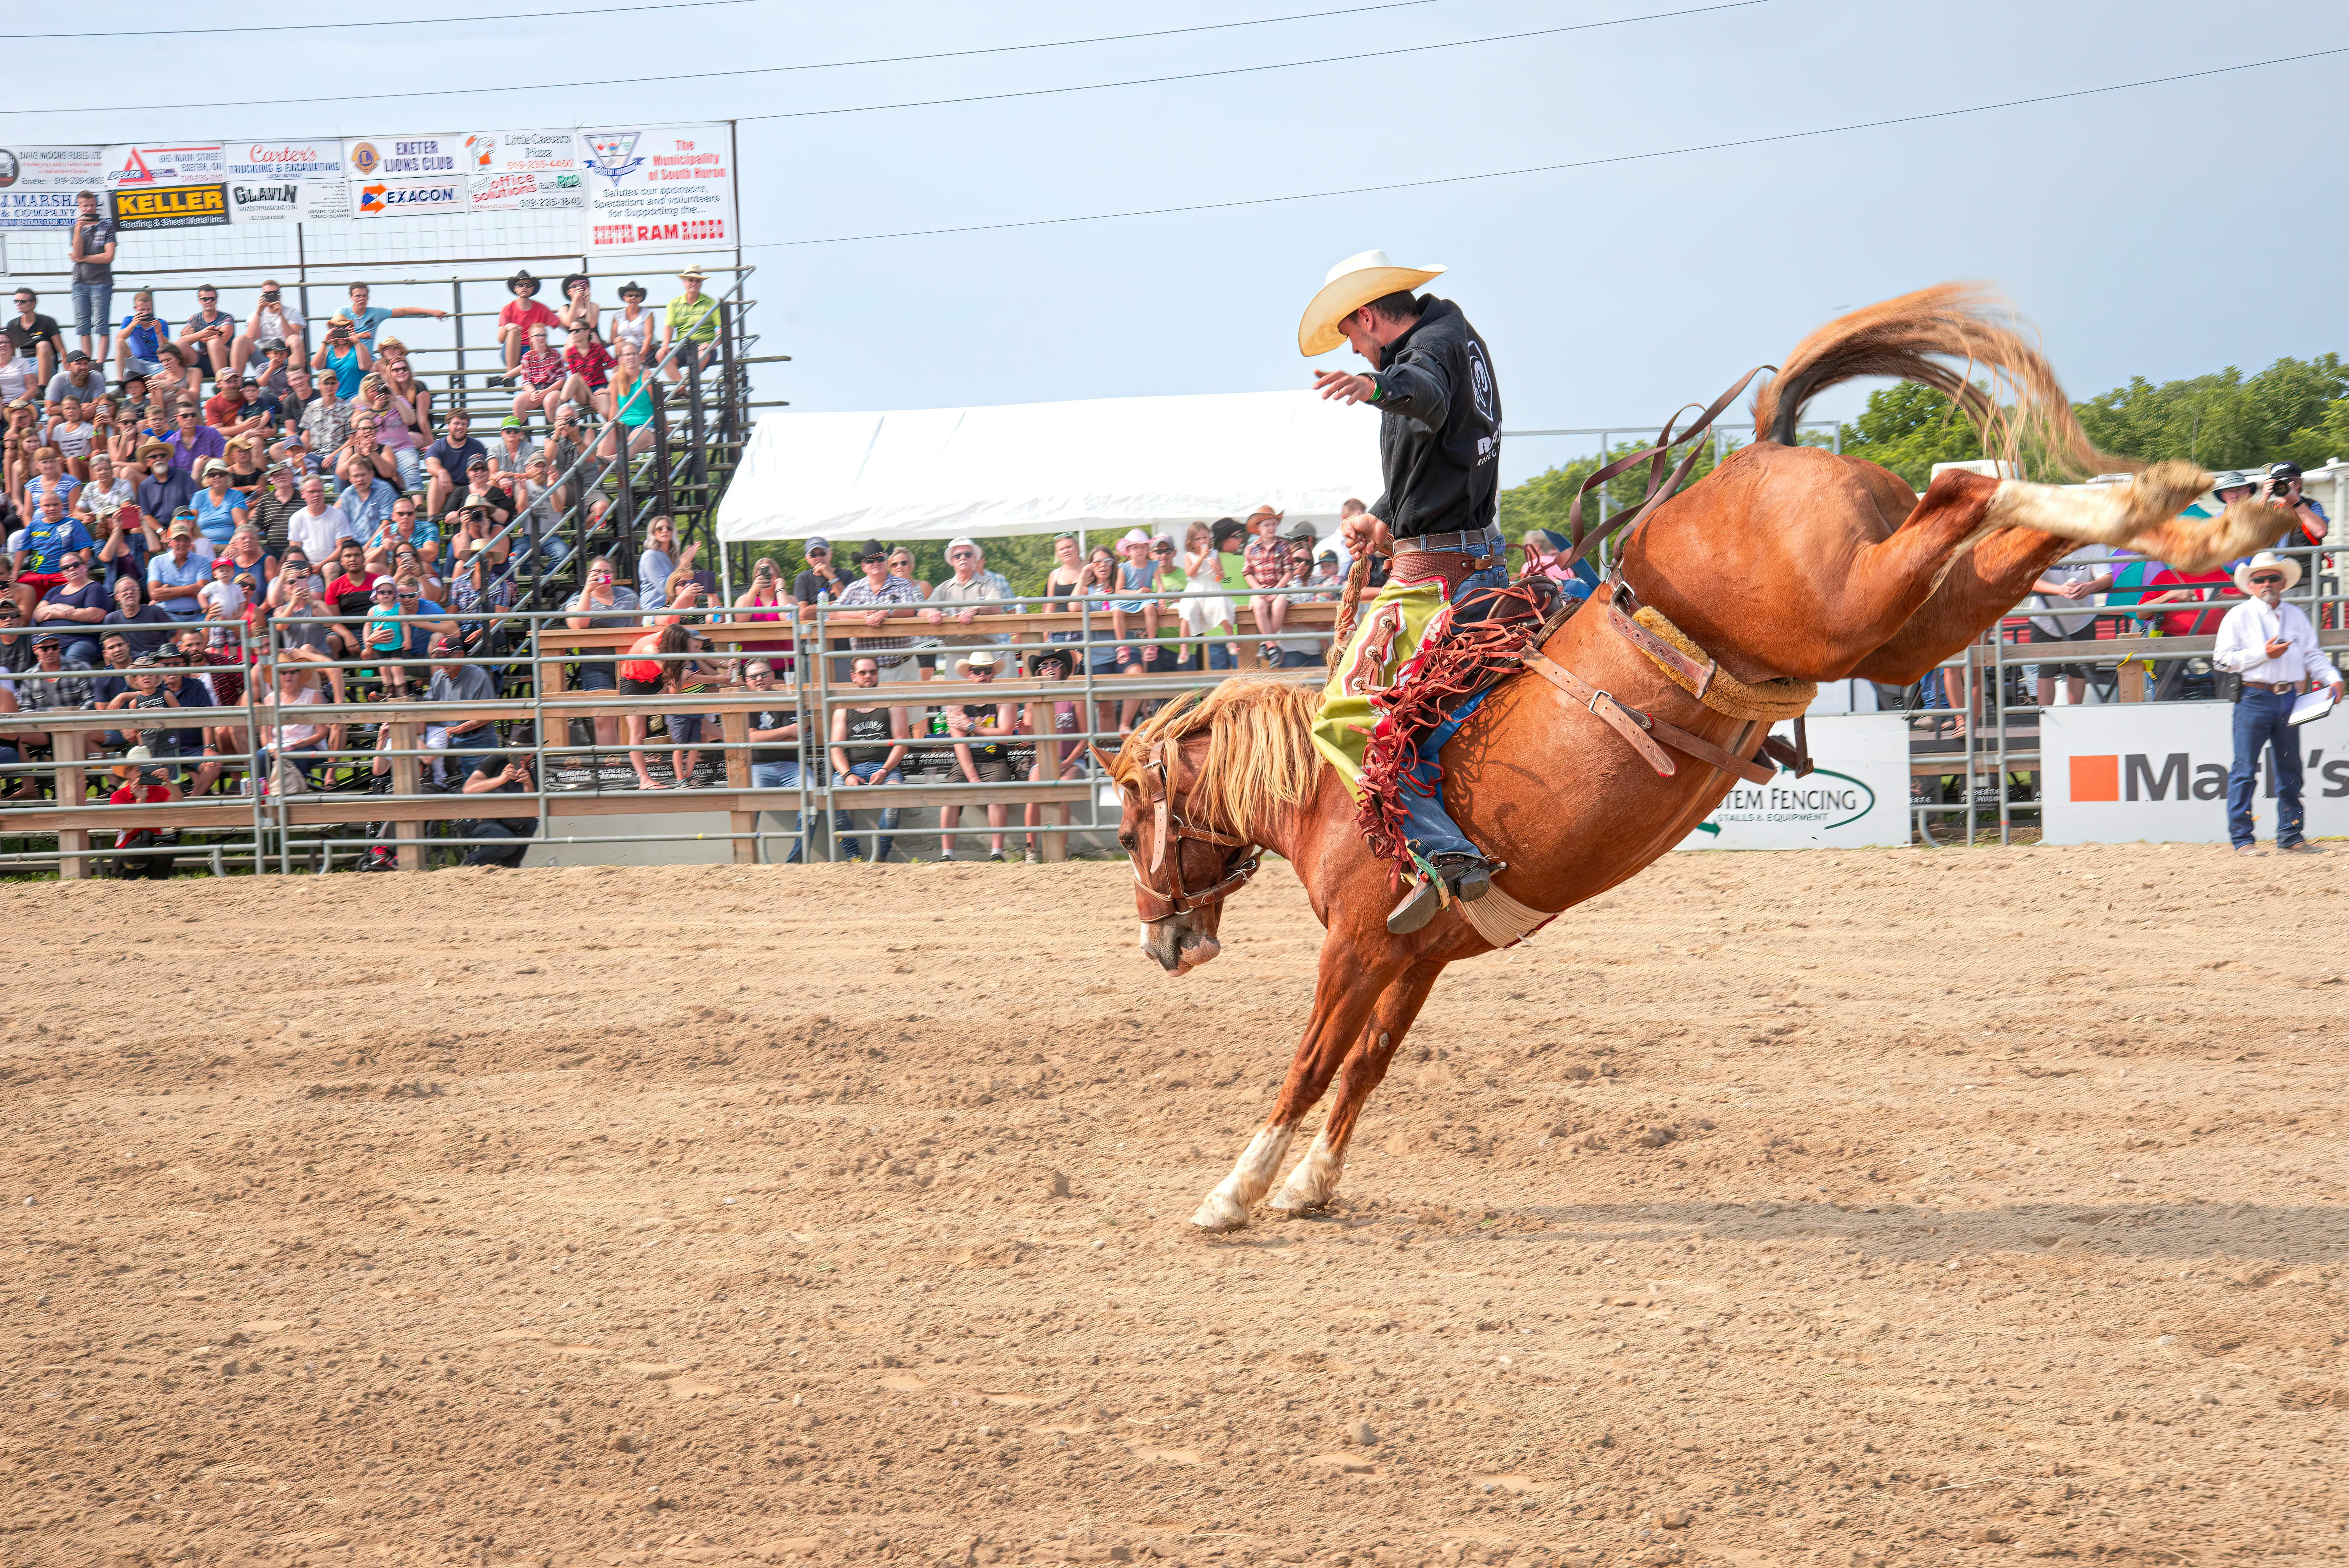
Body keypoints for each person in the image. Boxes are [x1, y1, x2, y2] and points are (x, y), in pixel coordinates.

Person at [1304, 249, 1504, 932]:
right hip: (1472, 558)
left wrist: (1375, 388)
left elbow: (1422, 392)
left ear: (1367, 318)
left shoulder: (1423, 355)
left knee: (1344, 718)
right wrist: (1382, 517)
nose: (1355, 349)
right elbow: (1438, 452)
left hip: (1436, 577)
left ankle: (1444, 853)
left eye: (1351, 336)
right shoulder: (1458, 339)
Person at [2212, 550, 2342, 857]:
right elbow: (2220, 660)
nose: (2266, 583)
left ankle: (2290, 835)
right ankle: (2243, 840)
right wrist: (2262, 654)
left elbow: (2311, 654)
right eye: (2259, 580)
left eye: (2272, 578)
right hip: (2253, 697)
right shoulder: (2238, 615)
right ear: (2251, 585)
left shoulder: (2295, 616)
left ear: (2282, 583)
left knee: (2289, 769)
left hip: (2287, 699)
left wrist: (2332, 678)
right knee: (2245, 769)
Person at [937, 648, 1018, 861]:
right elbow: (960, 744)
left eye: (988, 670)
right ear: (969, 674)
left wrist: (972, 726)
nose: (983, 675)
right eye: (977, 671)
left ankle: (997, 852)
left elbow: (1005, 736)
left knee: (997, 796)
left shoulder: (1004, 698)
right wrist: (973, 778)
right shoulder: (957, 701)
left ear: (994, 673)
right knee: (949, 797)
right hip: (967, 761)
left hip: (996, 759)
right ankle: (947, 854)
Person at [565, 556, 641, 774]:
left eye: (606, 572)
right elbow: (578, 625)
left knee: (634, 719)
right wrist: (588, 592)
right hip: (597, 665)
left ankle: (635, 769)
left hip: (629, 665)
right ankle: (612, 768)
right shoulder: (577, 599)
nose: (601, 576)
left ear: (614, 576)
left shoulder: (629, 596)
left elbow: (639, 624)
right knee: (604, 718)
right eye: (596, 572)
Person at [828, 656, 908, 862]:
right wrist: (847, 775)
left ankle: (879, 858)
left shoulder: (892, 703)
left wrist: (885, 771)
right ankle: (855, 856)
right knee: (832, 801)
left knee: (894, 800)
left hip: (886, 768)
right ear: (854, 677)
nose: (869, 676)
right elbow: (836, 748)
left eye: (873, 672)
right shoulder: (843, 709)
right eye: (863, 673)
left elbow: (902, 744)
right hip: (852, 768)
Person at [2025, 546, 2116, 709]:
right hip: (2044, 619)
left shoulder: (2094, 544)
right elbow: (2030, 580)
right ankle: (2046, 719)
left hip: (2082, 619)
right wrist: (2060, 590)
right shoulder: (2045, 539)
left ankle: (2074, 715)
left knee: (2079, 671)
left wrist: (2090, 587)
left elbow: (2107, 578)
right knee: (2046, 670)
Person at [741, 658, 806, 861]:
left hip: (793, 766)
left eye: (763, 674)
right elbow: (750, 738)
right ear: (746, 681)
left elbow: (801, 733)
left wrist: (762, 736)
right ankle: (748, 861)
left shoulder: (788, 698)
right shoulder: (743, 703)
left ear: (773, 676)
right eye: (753, 676)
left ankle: (795, 862)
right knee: (749, 805)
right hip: (759, 767)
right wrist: (786, 731)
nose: (759, 679)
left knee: (813, 798)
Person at [834, 540, 924, 682]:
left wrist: (886, 612)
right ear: (863, 566)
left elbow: (910, 609)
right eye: (870, 561)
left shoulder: (903, 584)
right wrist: (858, 615)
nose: (876, 563)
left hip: (903, 664)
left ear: (887, 562)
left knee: (913, 705)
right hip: (869, 673)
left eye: (880, 559)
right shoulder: (853, 588)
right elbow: (832, 613)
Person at [619, 619, 691, 790]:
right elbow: (673, 678)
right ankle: (644, 780)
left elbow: (676, 678)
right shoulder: (652, 649)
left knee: (683, 714)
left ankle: (685, 769)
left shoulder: (669, 637)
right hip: (634, 682)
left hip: (655, 677)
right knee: (638, 733)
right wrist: (671, 687)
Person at [922, 536, 1011, 672]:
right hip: (955, 653)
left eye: (968, 555)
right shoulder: (943, 588)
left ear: (975, 559)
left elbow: (997, 607)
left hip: (986, 652)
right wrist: (932, 613)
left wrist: (976, 610)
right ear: (952, 561)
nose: (963, 558)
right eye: (957, 556)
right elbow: (922, 610)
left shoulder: (990, 584)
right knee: (956, 693)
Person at [423, 634, 499, 786]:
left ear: (461, 655)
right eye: (439, 658)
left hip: (478, 740)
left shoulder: (479, 675)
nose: (442, 662)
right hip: (448, 738)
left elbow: (489, 716)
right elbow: (428, 707)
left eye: (447, 657)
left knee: (478, 790)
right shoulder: (438, 677)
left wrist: (456, 730)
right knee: (444, 788)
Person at [456, 751, 538, 867]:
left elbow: (533, 810)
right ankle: (470, 865)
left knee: (531, 823)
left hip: (508, 820)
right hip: (480, 819)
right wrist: (501, 779)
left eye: (526, 753)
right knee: (507, 842)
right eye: (515, 753)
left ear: (532, 754)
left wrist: (528, 785)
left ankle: (510, 870)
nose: (520, 757)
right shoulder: (497, 759)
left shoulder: (536, 767)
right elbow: (468, 789)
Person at [33, 546, 110, 666]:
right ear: (63, 572)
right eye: (66, 568)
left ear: (85, 566)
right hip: (49, 642)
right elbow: (38, 615)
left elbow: (94, 615)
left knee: (71, 663)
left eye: (76, 565)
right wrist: (59, 607)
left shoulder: (94, 588)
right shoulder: (55, 591)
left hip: (80, 640)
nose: (72, 569)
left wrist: (54, 613)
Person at [493, 272, 560, 388]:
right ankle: (510, 375)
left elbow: (560, 324)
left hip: (533, 350)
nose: (525, 288)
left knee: (536, 350)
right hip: (512, 350)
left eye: (528, 285)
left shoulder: (541, 308)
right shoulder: (508, 309)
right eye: (521, 285)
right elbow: (500, 339)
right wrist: (508, 326)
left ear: (533, 289)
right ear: (515, 289)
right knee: (514, 331)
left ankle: (508, 377)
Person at [229, 282, 305, 382]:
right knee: (240, 340)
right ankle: (235, 383)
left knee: (295, 339)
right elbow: (251, 338)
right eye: (268, 294)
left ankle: (297, 381)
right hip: (263, 356)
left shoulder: (292, 313)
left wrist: (280, 315)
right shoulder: (255, 315)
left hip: (286, 356)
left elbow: (292, 337)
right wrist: (259, 312)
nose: (271, 296)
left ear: (280, 295)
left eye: (274, 293)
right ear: (262, 296)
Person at [342, 281, 447, 353]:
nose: (362, 298)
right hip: (346, 355)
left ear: (368, 297)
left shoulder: (376, 313)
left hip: (366, 358)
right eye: (358, 296)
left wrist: (432, 312)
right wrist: (360, 336)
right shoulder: (344, 312)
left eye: (364, 296)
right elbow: (337, 335)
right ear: (351, 298)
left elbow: (404, 311)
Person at [659, 264, 722, 380]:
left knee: (703, 355)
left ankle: (689, 384)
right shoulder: (674, 304)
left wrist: (712, 345)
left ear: (701, 284)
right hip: (683, 348)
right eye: (690, 280)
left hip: (705, 348)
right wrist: (665, 347)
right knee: (663, 356)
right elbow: (669, 327)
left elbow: (722, 331)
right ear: (684, 282)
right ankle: (682, 389)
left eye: (698, 281)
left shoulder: (711, 303)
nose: (694, 283)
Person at [422, 409, 487, 519]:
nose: (460, 427)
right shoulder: (438, 446)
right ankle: (432, 521)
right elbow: (431, 464)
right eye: (456, 424)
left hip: (470, 488)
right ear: (449, 425)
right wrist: (442, 472)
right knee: (435, 480)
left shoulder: (477, 446)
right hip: (447, 488)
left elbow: (484, 470)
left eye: (464, 424)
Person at [145, 519, 210, 623]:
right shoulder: (157, 561)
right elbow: (154, 594)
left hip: (197, 617)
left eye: (186, 540)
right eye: (178, 540)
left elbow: (202, 591)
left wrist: (170, 588)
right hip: (165, 617)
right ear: (170, 543)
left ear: (190, 543)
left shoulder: (203, 561)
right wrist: (192, 589)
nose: (182, 543)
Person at [178, 285, 238, 393]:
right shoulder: (195, 319)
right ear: (200, 301)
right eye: (205, 299)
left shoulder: (226, 318)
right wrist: (204, 335)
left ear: (217, 300)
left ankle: (223, 386)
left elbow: (223, 339)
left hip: (224, 358)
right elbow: (184, 336)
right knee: (180, 345)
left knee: (214, 343)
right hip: (203, 360)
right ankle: (182, 388)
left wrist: (197, 335)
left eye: (212, 299)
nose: (209, 302)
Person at [101, 575, 174, 656]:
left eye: (134, 589)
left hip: (156, 660)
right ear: (116, 597)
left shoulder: (155, 611)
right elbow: (107, 647)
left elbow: (175, 633)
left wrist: (169, 655)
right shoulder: (111, 619)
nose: (130, 592)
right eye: (125, 590)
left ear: (140, 593)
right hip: (128, 663)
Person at [10, 289, 64, 394]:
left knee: (43, 345)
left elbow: (61, 349)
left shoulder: (47, 322)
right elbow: (11, 354)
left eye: (23, 301)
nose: (19, 304)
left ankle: (41, 389)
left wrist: (68, 368)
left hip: (47, 364)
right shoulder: (13, 325)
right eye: (16, 301)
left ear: (33, 303)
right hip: (25, 363)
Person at [510, 323, 566, 424]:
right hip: (536, 390)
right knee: (518, 402)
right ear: (531, 339)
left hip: (553, 389)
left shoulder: (555, 354)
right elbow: (527, 381)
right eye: (538, 336)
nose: (541, 338)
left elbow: (561, 380)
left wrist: (545, 392)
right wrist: (533, 393)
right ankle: (524, 433)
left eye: (544, 335)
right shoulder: (527, 357)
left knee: (549, 401)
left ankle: (555, 431)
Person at [311, 313, 370, 401]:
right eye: (338, 332)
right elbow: (317, 367)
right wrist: (325, 343)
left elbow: (366, 367)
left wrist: (356, 342)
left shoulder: (359, 348)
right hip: (335, 399)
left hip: (357, 397)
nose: (341, 335)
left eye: (344, 331)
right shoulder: (328, 350)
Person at [115, 291, 170, 382]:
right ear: (136, 308)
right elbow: (120, 338)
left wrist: (159, 332)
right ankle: (120, 381)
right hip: (137, 362)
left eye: (149, 310)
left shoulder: (161, 323)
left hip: (157, 364)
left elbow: (164, 348)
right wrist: (134, 324)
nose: (146, 314)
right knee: (121, 342)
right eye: (142, 311)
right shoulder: (129, 320)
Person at [46, 348, 108, 417]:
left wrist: (77, 413)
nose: (84, 367)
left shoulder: (97, 377)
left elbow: (99, 405)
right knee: (54, 420)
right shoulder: (58, 379)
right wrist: (78, 408)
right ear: (68, 367)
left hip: (88, 417)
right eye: (79, 364)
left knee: (100, 417)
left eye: (86, 364)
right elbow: (50, 410)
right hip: (66, 419)